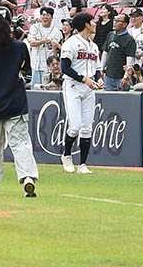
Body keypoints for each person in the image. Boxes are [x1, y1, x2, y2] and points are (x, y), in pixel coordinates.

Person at [0, 8, 41, 196]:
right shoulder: (21, 47)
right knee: (21, 144)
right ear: (11, 22)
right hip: (16, 103)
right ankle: (28, 176)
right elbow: (27, 75)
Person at [60, 12, 102, 174]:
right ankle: (67, 155)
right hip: (73, 86)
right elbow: (65, 68)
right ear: (86, 24)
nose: (95, 24)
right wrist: (84, 79)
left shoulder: (94, 45)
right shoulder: (71, 42)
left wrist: (98, 79)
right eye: (92, 22)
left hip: (89, 87)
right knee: (75, 125)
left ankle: (83, 164)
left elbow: (97, 68)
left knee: (87, 128)